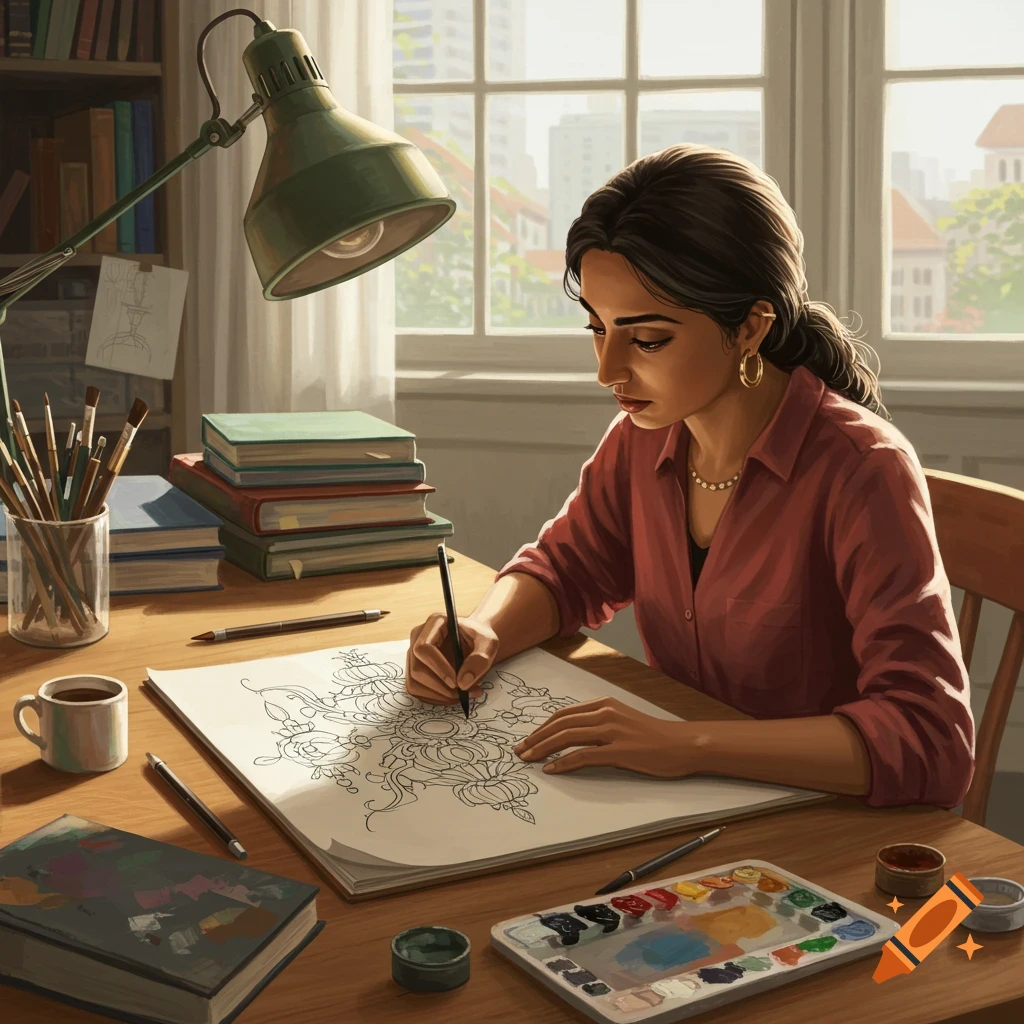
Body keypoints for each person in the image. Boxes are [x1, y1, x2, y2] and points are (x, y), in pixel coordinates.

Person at [404, 144, 974, 809]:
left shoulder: (863, 469)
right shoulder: (642, 440)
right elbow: (566, 570)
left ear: (750, 328)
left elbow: (930, 738)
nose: (607, 371)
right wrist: (484, 629)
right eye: (597, 328)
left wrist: (688, 745)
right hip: (687, 803)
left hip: (826, 821)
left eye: (648, 340)